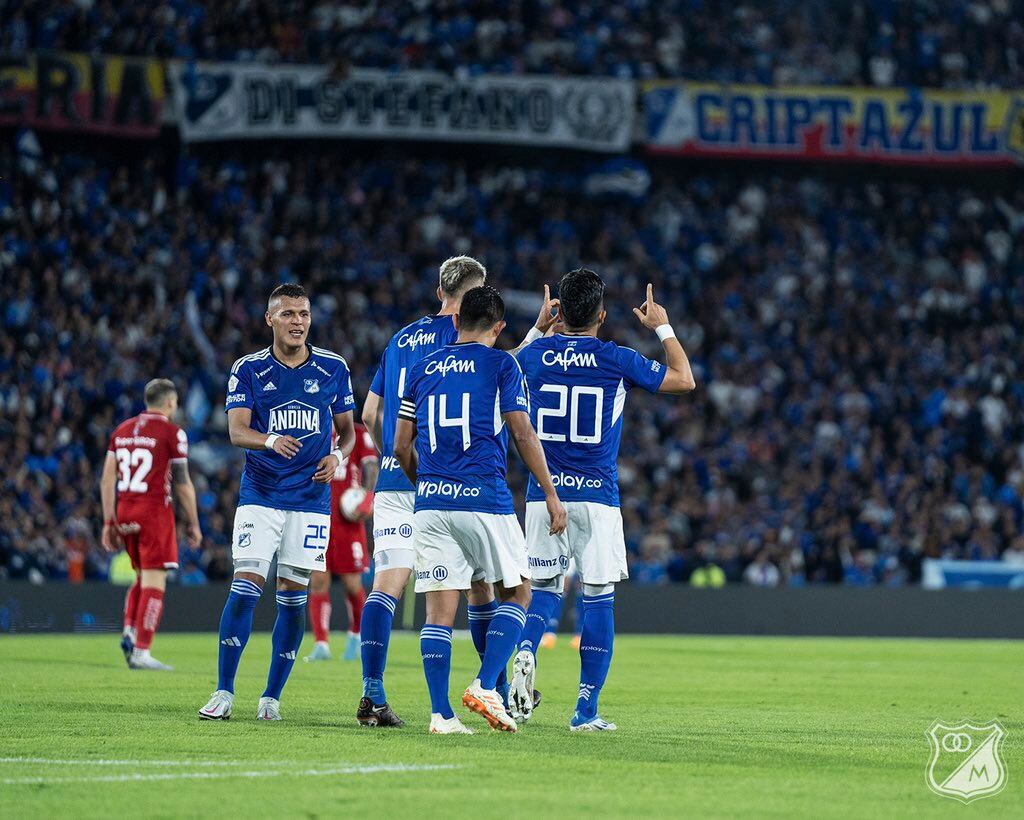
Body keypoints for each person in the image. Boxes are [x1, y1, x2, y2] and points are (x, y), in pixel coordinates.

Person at [510, 271, 696, 730]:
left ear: (560, 312)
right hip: (596, 495)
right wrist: (662, 326)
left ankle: (527, 651)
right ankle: (585, 710)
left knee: (546, 591)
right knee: (598, 597)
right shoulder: (616, 358)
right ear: (601, 315)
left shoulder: (532, 355)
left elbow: (499, 369)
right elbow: (684, 379)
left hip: (543, 495)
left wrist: (537, 328)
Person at [394, 285, 567, 734]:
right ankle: (487, 686)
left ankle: (440, 715)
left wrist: (428, 485)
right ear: (498, 327)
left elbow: (399, 445)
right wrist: (549, 492)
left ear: (455, 321)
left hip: (430, 503)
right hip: (484, 498)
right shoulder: (502, 364)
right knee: (519, 592)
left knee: (439, 612)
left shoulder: (421, 367)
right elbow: (524, 434)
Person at [198, 283, 356, 721]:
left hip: (310, 499)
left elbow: (348, 431)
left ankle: (271, 698)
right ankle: (224, 691)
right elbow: (235, 431)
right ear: (270, 319)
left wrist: (338, 457)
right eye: (287, 314)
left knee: (293, 595)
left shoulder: (332, 368)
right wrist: (269, 440)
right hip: (261, 496)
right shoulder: (248, 369)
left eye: (303, 314)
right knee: (246, 587)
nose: (298, 322)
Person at [355, 256, 484, 727]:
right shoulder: (466, 337)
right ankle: (489, 690)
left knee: (386, 584)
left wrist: (393, 457)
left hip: (394, 479)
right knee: (478, 586)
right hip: (444, 481)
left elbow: (368, 414)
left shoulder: (400, 339)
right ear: (475, 297)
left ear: (439, 292)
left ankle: (373, 691)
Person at [100, 378, 202, 670]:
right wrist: (193, 522)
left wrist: (109, 520)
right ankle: (142, 651)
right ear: (170, 402)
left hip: (125, 511)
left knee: (141, 578)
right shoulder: (172, 433)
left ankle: (130, 631)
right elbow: (182, 483)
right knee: (156, 581)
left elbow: (108, 479)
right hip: (155, 511)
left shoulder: (120, 432)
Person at [305, 422, 378, 662]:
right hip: (319, 516)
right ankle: (321, 644)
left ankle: (356, 637)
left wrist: (367, 497)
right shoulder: (315, 429)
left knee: (352, 583)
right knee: (318, 580)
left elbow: (370, 465)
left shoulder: (357, 433)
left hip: (348, 522)